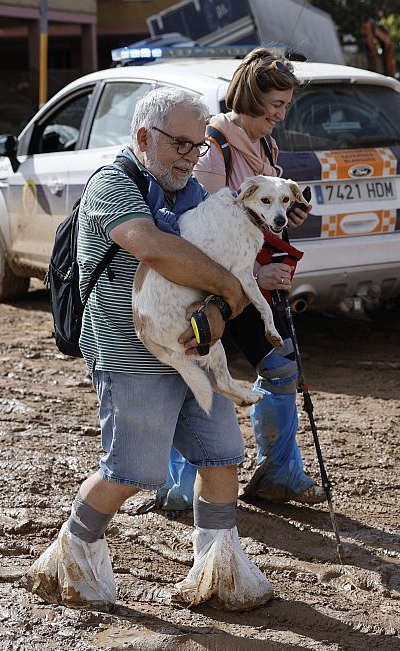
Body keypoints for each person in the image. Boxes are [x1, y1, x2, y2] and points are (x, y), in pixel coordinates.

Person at [21, 87, 273, 611]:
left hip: (193, 351)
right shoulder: (113, 185)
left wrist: (222, 309)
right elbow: (153, 247)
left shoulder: (192, 196)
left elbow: (215, 271)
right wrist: (229, 288)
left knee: (223, 456)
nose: (191, 157)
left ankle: (219, 569)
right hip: (129, 354)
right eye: (180, 145)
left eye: (199, 146)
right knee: (132, 470)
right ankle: (69, 554)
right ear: (143, 138)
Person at [153, 48, 327, 513]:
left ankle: (278, 475)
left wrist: (287, 216)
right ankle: (179, 487)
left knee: (282, 367)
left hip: (251, 285)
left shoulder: (267, 147)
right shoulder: (216, 147)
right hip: (209, 289)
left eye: (286, 105)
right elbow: (202, 235)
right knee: (191, 375)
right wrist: (256, 272)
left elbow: (254, 222)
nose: (281, 114)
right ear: (250, 97)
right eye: (275, 104)